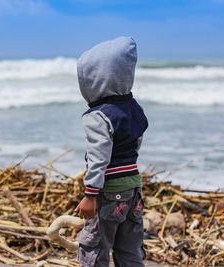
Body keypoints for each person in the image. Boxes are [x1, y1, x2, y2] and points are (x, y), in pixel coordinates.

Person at [74, 36, 148, 267]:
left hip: (108, 193)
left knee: (95, 248)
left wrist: (90, 195)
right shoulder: (134, 108)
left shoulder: (97, 116)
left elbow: (99, 158)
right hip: (133, 188)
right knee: (130, 248)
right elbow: (135, 144)